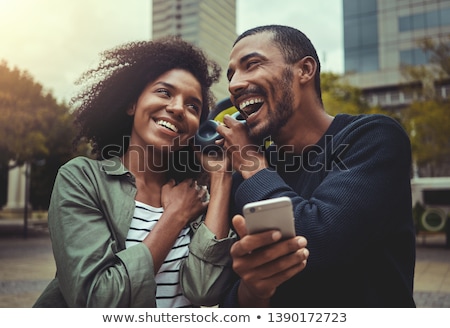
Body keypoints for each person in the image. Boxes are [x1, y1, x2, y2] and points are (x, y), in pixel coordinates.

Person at [213, 25, 416, 307]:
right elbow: (230, 298)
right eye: (231, 75)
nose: (234, 85)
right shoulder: (245, 177)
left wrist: (251, 160)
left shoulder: (374, 137)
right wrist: (253, 291)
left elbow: (318, 243)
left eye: (252, 64)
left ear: (305, 70)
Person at [33, 37, 238, 308]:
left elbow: (205, 290)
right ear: (132, 104)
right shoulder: (82, 179)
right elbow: (98, 300)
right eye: (164, 92)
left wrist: (221, 177)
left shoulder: (196, 196)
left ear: (196, 131)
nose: (178, 108)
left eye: (193, 107)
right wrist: (173, 217)